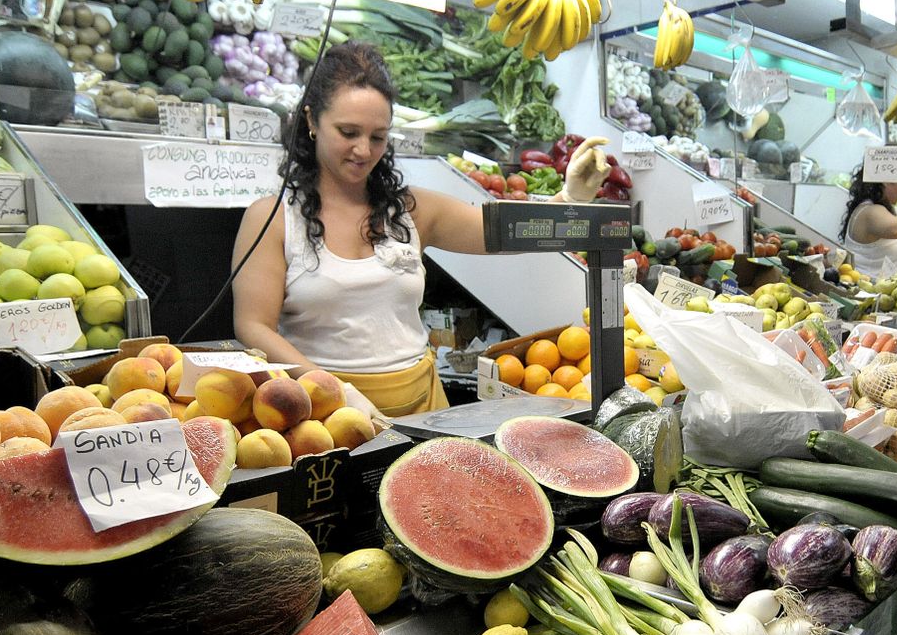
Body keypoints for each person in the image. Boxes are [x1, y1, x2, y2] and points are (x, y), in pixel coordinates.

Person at [230, 42, 617, 418]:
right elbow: (253, 325)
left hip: (421, 408)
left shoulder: (410, 210)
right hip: (324, 413)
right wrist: (331, 387)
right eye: (348, 132)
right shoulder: (274, 218)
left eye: (377, 137)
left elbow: (503, 235)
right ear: (312, 120)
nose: (364, 150)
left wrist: (570, 197)